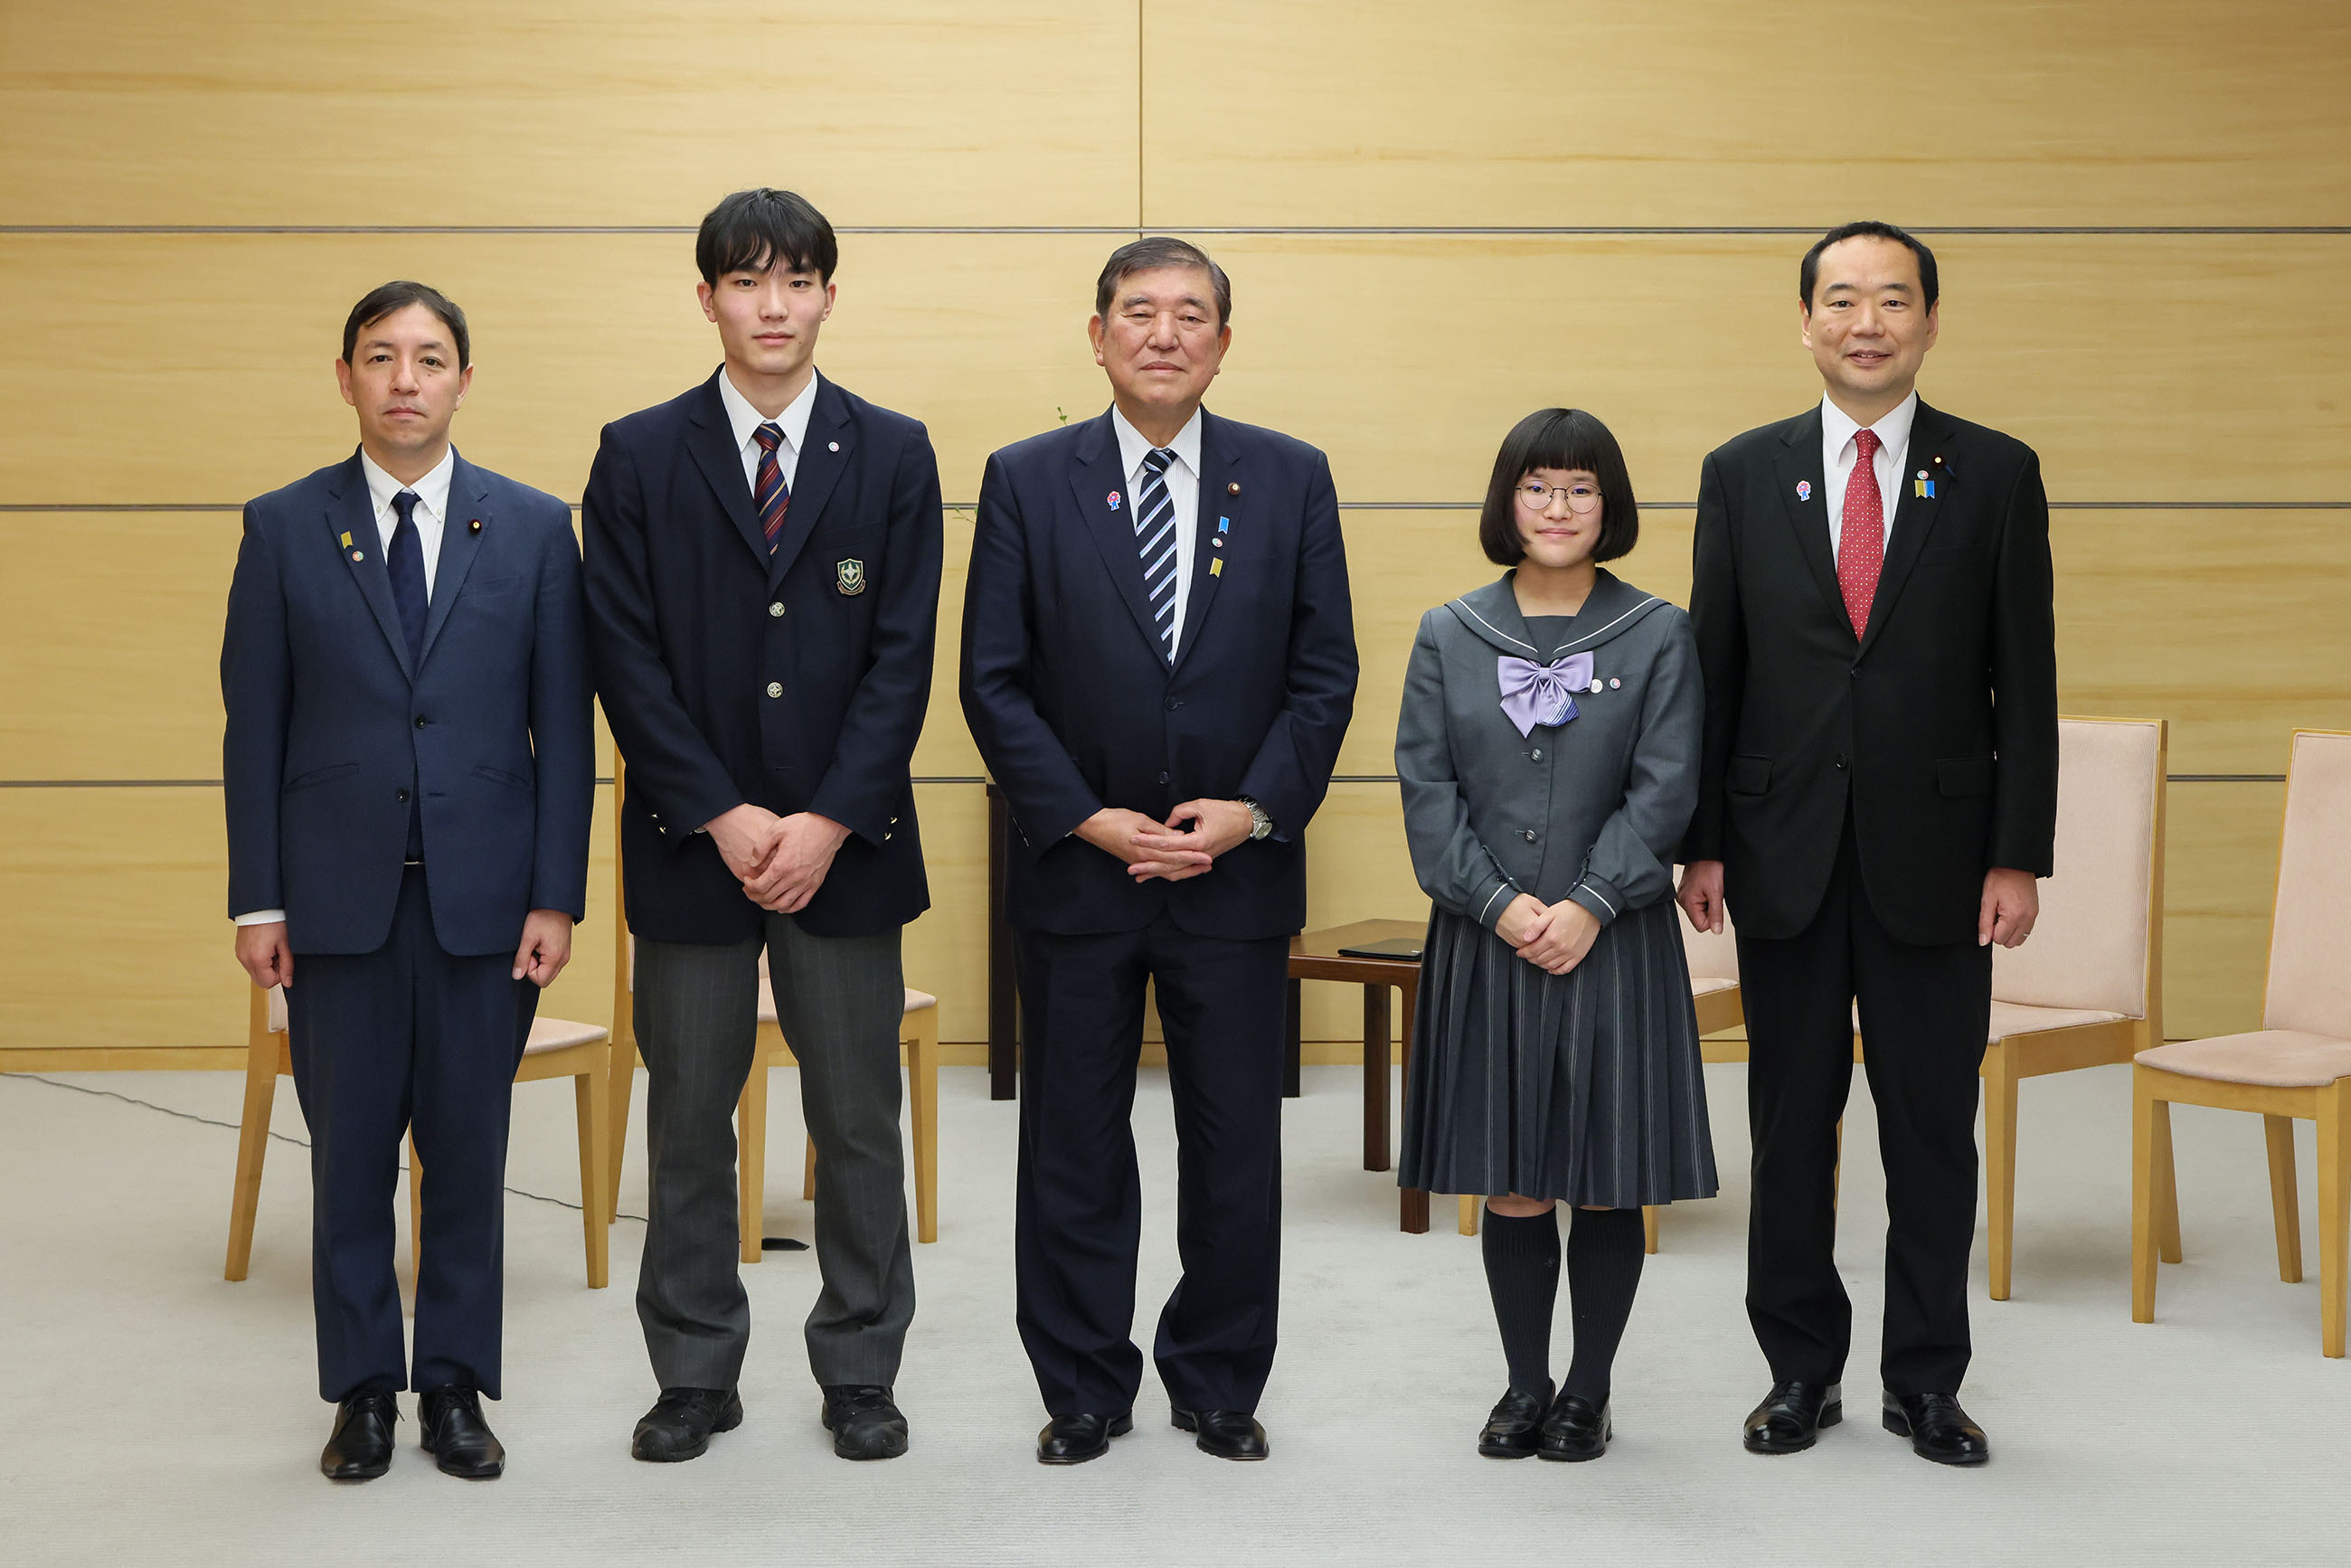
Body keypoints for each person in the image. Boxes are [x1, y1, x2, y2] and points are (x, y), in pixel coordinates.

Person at [961, 236, 1357, 1466]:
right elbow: (992, 679)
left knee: (1234, 1139)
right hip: (1080, 871)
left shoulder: (1290, 478)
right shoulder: (1027, 478)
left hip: (1233, 875)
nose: (1166, 333)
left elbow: (1322, 674)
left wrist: (1253, 810)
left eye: (1193, 315)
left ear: (1224, 343)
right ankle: (1082, 1385)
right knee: (1074, 1140)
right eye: (1140, 312)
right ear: (1098, 336)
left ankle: (1219, 1377)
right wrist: (1084, 813)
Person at [1679, 221, 2057, 1466]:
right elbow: (1714, 672)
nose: (1867, 322)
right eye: (1842, 299)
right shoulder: (1743, 471)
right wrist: (1703, 841)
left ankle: (1927, 1380)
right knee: (1792, 1125)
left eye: (1893, 300)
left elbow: (2026, 681)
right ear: (1806, 321)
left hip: (1941, 861)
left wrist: (2018, 853)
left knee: (1930, 1131)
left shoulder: (1995, 471)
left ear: (1930, 322)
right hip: (1781, 852)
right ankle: (1799, 1371)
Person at [582, 188, 943, 1464]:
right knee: (688, 1110)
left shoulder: (893, 451)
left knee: (855, 1115)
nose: (773, 304)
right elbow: (621, 654)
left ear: (830, 295)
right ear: (707, 299)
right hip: (693, 846)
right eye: (746, 281)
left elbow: (903, 658)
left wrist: (828, 818)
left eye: (797, 280)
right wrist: (725, 809)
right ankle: (693, 1369)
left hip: (844, 851)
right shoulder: (636, 451)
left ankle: (860, 1367)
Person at [222, 280, 595, 1481]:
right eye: (380, 357)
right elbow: (254, 728)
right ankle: (364, 1390)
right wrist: (258, 899)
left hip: (489, 906)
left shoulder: (534, 529)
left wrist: (556, 893)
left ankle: (454, 1388)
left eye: (430, 358)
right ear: (346, 378)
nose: (405, 380)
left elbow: (564, 733)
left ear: (463, 382)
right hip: (334, 909)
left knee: (470, 1158)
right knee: (349, 1166)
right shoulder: (283, 528)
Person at [1394, 409, 1714, 1463]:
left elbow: (1666, 789)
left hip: (1610, 939)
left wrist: (1586, 901)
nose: (1558, 508)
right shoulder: (1448, 631)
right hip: (1487, 940)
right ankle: (1523, 1384)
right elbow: (1426, 789)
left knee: (1606, 1171)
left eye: (1579, 488)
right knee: (1514, 1177)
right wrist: (1497, 905)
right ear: (1506, 501)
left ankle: (1588, 1389)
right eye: (1537, 487)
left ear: (1608, 505)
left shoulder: (1657, 632)